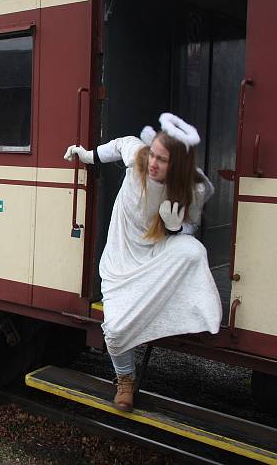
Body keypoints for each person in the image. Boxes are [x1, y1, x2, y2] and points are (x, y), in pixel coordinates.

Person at [64, 113, 222, 411]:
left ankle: (192, 309)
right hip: (122, 257)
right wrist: (86, 155)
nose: (153, 163)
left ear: (178, 166)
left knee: (193, 251)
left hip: (155, 255)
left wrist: (176, 227)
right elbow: (119, 144)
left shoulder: (192, 189)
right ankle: (125, 379)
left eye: (163, 160)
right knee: (115, 328)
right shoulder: (138, 157)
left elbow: (189, 227)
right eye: (154, 155)